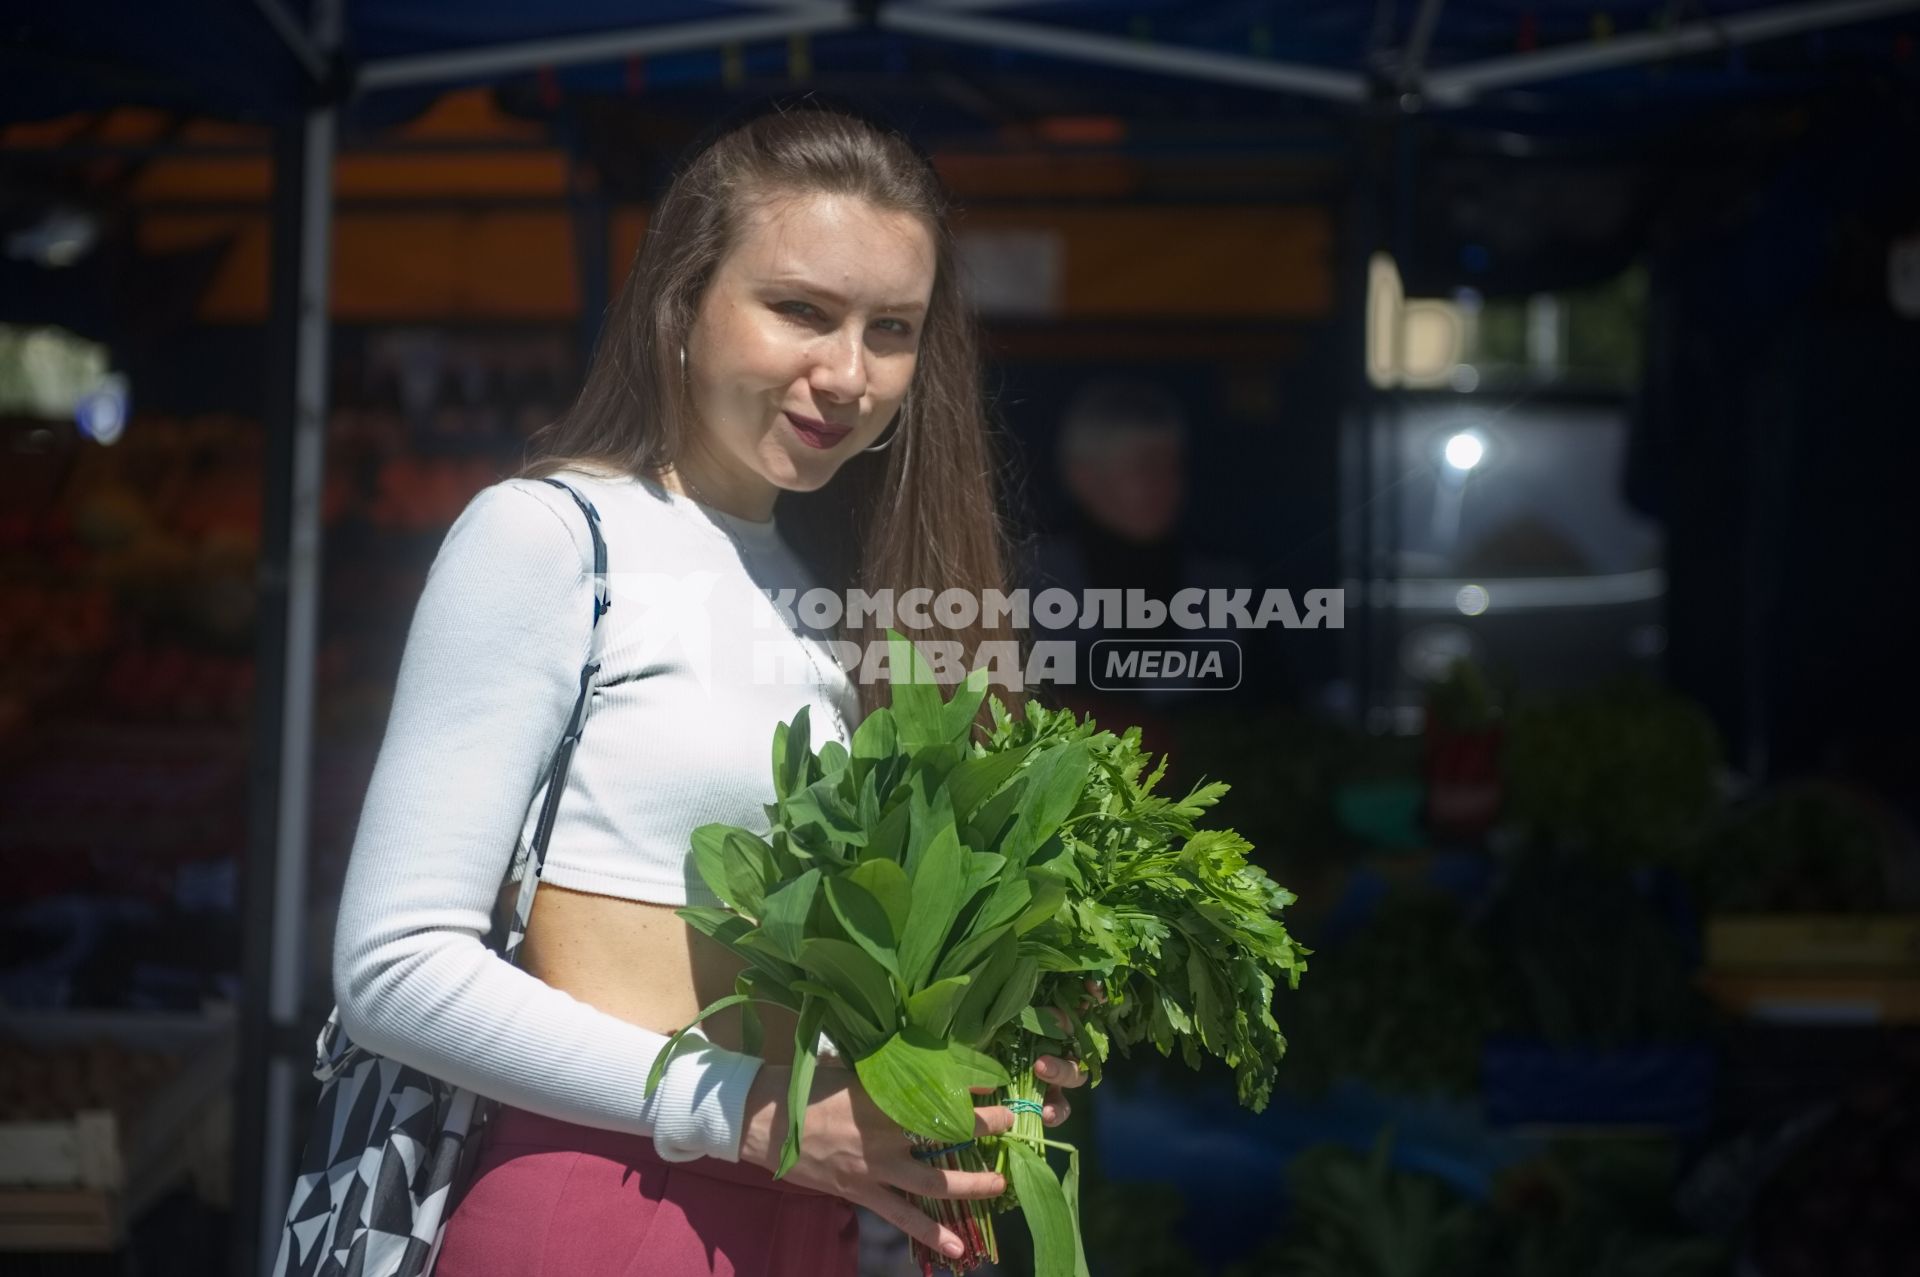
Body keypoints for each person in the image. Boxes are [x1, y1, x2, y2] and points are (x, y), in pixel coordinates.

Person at [330, 99, 1087, 1277]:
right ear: (681, 301)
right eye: (800, 310)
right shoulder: (550, 538)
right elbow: (393, 967)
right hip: (604, 1202)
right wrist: (749, 1110)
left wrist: (973, 1045)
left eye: (892, 328)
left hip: (807, 1218)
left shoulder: (825, 599)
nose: (848, 371)